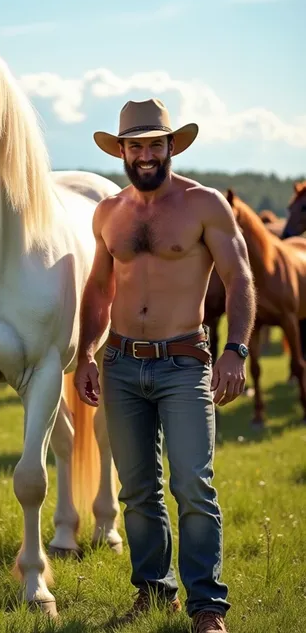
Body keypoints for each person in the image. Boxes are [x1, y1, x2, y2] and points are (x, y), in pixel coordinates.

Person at [74, 98, 256, 633]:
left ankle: (207, 607)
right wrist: (86, 352)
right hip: (122, 365)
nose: (146, 154)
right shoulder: (109, 213)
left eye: (156, 143)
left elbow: (240, 279)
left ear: (172, 146)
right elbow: (99, 288)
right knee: (136, 490)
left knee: (193, 484)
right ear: (123, 151)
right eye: (136, 145)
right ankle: (155, 593)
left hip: (184, 364)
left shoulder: (204, 206)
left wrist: (236, 350)